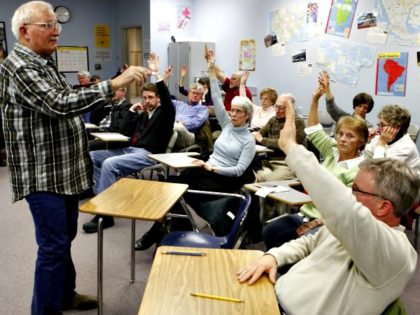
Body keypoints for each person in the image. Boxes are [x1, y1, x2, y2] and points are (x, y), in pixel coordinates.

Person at [0, 1, 149, 313]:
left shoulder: (42, 61)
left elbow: (65, 102)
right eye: (48, 25)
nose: (57, 32)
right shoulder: (20, 66)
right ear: (25, 32)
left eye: (58, 25)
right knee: (53, 248)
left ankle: (65, 294)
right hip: (43, 177)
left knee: (62, 240)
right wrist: (113, 84)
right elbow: (58, 103)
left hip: (63, 173)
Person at [237, 99, 419, 315]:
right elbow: (308, 243)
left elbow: (344, 209)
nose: (350, 193)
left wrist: (291, 148)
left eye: (357, 190)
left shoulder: (395, 252)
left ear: (383, 207)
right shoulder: (350, 230)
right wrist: (273, 257)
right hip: (273, 296)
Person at [134, 53, 256, 250]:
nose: (232, 114)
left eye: (238, 112)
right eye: (232, 110)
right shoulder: (227, 125)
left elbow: (239, 171)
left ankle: (159, 234)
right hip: (206, 169)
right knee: (171, 184)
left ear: (247, 115)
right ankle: (170, 232)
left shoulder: (248, 140)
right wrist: (211, 67)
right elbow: (216, 96)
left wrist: (213, 168)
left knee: (178, 191)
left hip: (223, 179)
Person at [262, 83, 369, 249]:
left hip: (329, 224)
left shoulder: (359, 169)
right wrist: (315, 98)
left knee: (298, 246)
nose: (342, 139)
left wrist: (315, 224)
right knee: (270, 232)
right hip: (306, 213)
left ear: (361, 141)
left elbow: (346, 211)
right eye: (340, 134)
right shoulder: (331, 149)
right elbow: (312, 128)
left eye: (350, 136)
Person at [82, 53, 176, 233]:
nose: (147, 101)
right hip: (129, 149)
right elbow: (124, 133)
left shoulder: (165, 114)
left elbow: (164, 95)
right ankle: (105, 198)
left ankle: (104, 215)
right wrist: (132, 111)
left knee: (109, 164)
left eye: (151, 98)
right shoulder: (141, 113)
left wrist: (157, 75)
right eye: (145, 98)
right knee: (92, 156)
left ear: (158, 99)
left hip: (148, 154)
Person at [254, 93, 306, 182]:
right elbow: (258, 135)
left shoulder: (297, 122)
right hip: (269, 161)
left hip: (286, 163)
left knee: (269, 181)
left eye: (281, 108)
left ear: (291, 108)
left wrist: (263, 140)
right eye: (276, 107)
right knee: (247, 173)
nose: (277, 110)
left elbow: (284, 144)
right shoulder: (273, 120)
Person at [364, 104, 420, 174]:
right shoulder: (383, 136)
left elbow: (379, 172)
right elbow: (365, 157)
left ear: (397, 128)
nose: (379, 129)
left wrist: (381, 144)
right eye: (379, 125)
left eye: (383, 125)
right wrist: (366, 140)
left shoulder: (406, 148)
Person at [172, 82, 209, 148]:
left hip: (189, 135)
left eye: (198, 94)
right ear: (188, 94)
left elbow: (195, 124)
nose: (195, 95)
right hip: (174, 129)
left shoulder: (203, 109)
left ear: (201, 96)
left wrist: (182, 124)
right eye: (193, 93)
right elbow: (164, 99)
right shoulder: (178, 104)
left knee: (178, 127)